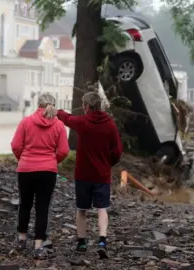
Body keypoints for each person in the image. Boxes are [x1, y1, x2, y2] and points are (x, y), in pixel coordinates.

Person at [57, 92, 123, 259]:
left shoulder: (83, 123)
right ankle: (102, 241)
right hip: (102, 175)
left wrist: (56, 111)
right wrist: (109, 163)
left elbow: (67, 118)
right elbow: (117, 150)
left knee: (82, 210)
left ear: (86, 106)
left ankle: (82, 242)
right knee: (102, 209)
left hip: (83, 174)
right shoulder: (110, 125)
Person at [10, 93, 70, 260]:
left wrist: (23, 159)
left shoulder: (26, 122)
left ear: (39, 104)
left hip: (26, 169)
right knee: (42, 208)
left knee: (25, 204)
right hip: (47, 171)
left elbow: (15, 145)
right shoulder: (59, 125)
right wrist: (52, 161)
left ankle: (21, 239)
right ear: (53, 105)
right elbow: (64, 151)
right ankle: (38, 246)